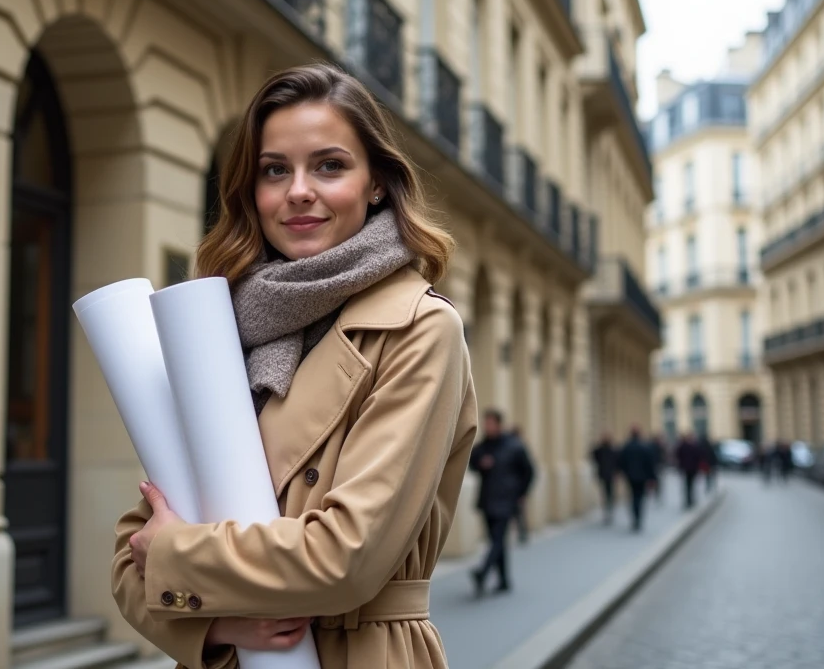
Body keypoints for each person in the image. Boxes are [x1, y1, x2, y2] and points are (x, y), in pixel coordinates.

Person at [111, 64, 478, 669]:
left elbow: (348, 558)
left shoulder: (419, 328)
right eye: (275, 170)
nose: (299, 190)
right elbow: (133, 552)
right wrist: (221, 627)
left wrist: (181, 560)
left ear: (376, 184)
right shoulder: (218, 325)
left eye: (329, 166)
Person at [470, 410, 536, 595]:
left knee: (497, 539)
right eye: (486, 423)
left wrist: (522, 493)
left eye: (490, 423)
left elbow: (529, 471)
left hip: (507, 500)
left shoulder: (514, 446)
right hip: (488, 500)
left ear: (499, 424)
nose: (487, 427)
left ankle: (482, 572)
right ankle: (504, 581)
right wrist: (481, 464)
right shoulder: (482, 446)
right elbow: (472, 464)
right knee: (496, 541)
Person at [616, 426, 657, 532]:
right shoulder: (644, 447)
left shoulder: (627, 447)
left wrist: (624, 472)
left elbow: (621, 462)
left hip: (630, 476)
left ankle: (635, 518)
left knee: (633, 497)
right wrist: (652, 477)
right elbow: (650, 464)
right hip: (642, 477)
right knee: (640, 497)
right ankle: (638, 518)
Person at [508, 424, 531, 543]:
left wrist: (523, 490)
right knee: (517, 513)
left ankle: (522, 532)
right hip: (514, 488)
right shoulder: (519, 447)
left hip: (516, 488)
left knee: (517, 512)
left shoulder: (518, 449)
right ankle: (521, 532)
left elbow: (529, 471)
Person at [591, 433, 619, 525]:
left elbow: (594, 456)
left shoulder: (602, 450)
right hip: (609, 475)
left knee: (606, 493)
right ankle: (609, 509)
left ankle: (608, 509)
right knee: (609, 493)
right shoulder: (611, 450)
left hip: (604, 475)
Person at [675, 432, 701, 509]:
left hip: (688, 468)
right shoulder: (692, 446)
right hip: (689, 468)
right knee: (689, 485)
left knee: (689, 485)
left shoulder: (684, 446)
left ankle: (689, 500)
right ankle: (689, 500)